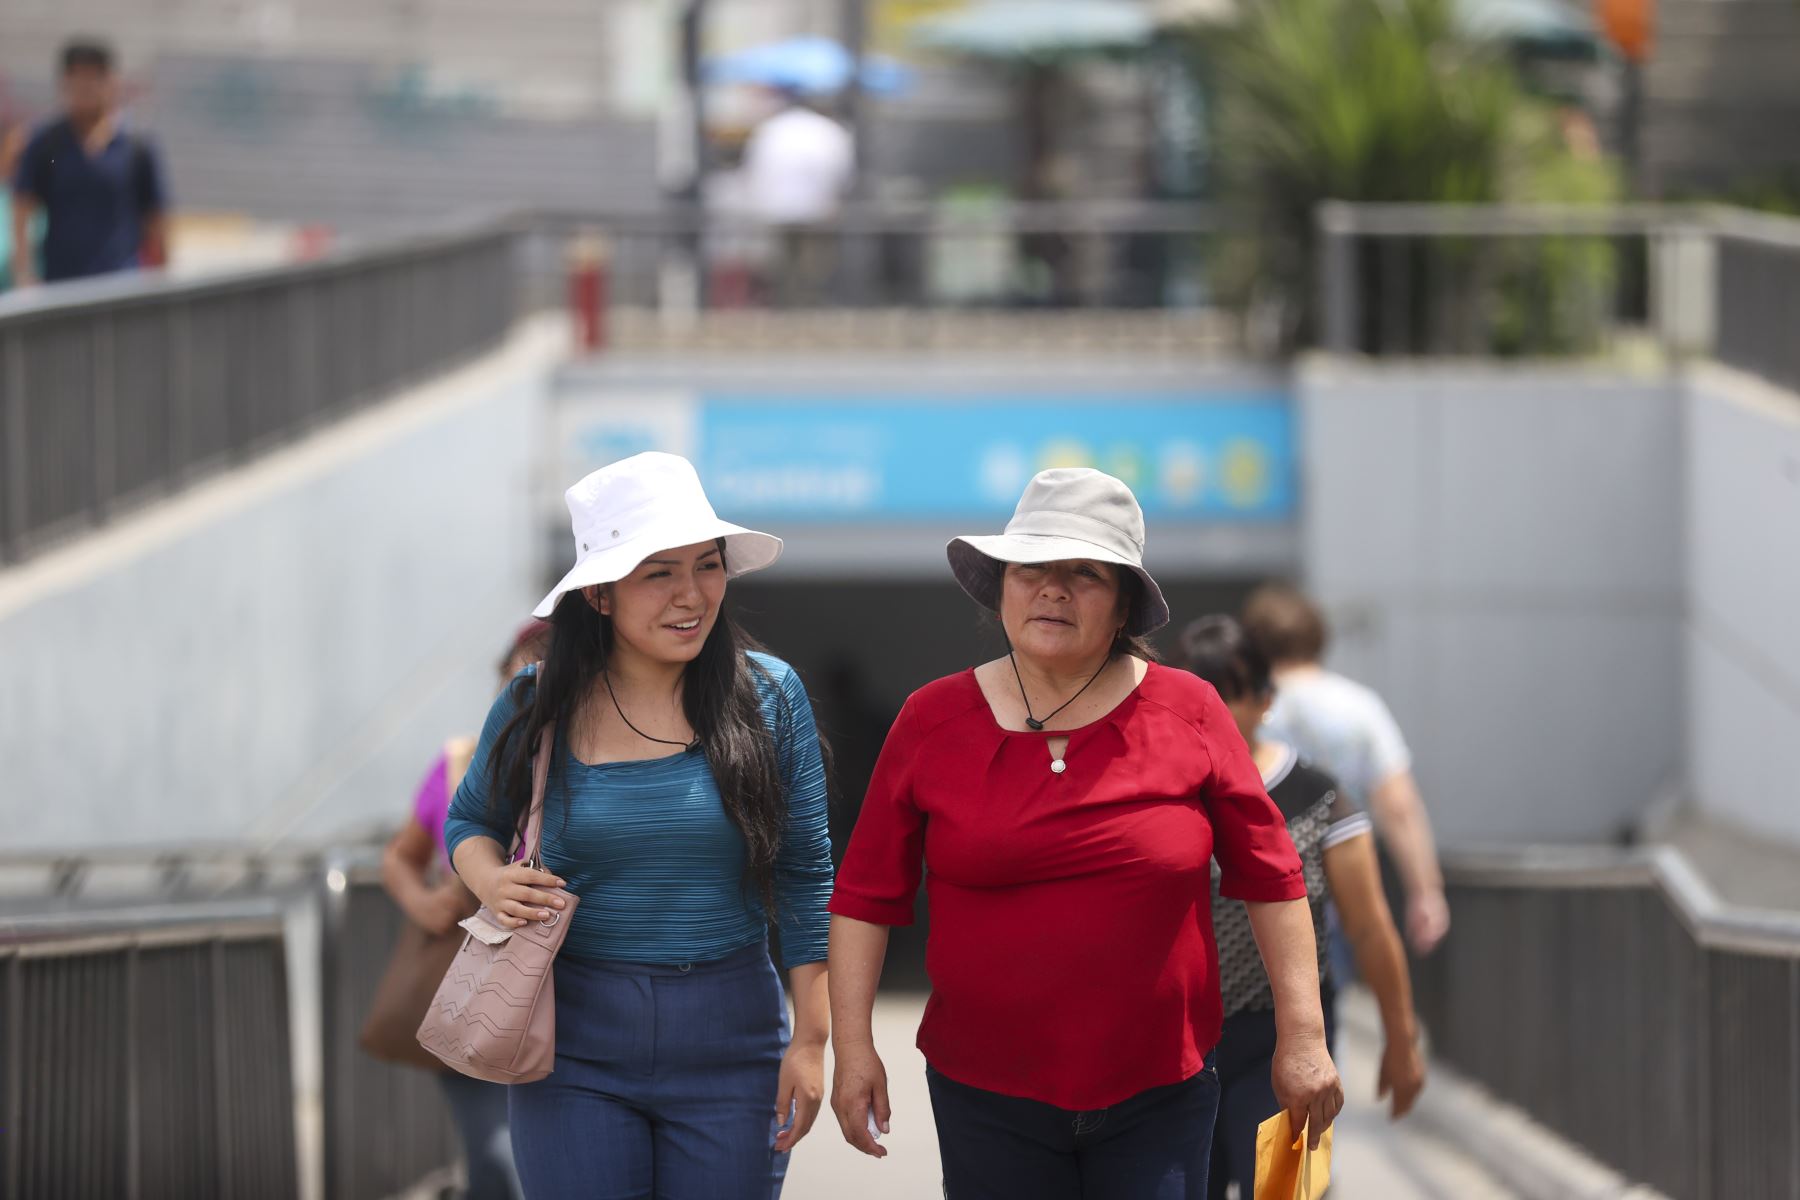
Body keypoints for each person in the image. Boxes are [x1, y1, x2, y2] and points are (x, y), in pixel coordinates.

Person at [827, 467, 1342, 1199]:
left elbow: (1273, 875)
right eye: (1032, 568)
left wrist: (1304, 1037)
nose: (1053, 589)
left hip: (1161, 1092)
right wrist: (852, 1049)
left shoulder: (1190, 710)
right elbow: (864, 896)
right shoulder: (930, 720)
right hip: (985, 1096)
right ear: (1000, 586)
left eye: (1084, 574)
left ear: (1125, 603)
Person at [443, 451, 834, 1198]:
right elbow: (469, 820)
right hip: (571, 1043)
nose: (691, 595)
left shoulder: (772, 696)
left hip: (735, 1040)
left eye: (707, 565)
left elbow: (808, 876)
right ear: (598, 596)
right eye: (658, 572)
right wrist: (491, 878)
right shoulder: (536, 701)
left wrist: (813, 1043)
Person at [1181, 615, 1425, 1200]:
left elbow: (1368, 928)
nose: (1211, 713)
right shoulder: (1167, 789)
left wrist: (1401, 1037)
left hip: (1285, 1035)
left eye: (1229, 695)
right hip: (1181, 1043)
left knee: (1289, 1192)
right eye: (1197, 696)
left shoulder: (1314, 794)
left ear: (1265, 700)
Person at [380, 621, 551, 1200]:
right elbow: (401, 857)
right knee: (497, 1162)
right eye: (517, 684)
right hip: (475, 989)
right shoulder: (457, 763)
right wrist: (423, 901)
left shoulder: (597, 762)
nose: (528, 700)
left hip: (568, 999)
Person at [1241, 583, 1451, 956]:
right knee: (1328, 995)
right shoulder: (1359, 706)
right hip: (1339, 881)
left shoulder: (1244, 709)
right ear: (1318, 638)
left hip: (1252, 887)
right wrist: (1425, 891)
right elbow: (1398, 806)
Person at [11, 39, 169, 287]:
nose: (86, 86)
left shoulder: (136, 147)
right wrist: (24, 275)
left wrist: (163, 279)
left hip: (123, 286)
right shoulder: (46, 145)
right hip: (61, 288)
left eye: (94, 77)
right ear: (65, 82)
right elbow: (22, 209)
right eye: (78, 77)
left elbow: (156, 218)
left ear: (112, 81)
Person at [741, 87, 853, 305]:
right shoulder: (826, 129)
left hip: (776, 208)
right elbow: (841, 171)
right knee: (812, 264)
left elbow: (753, 169)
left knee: (783, 261)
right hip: (816, 208)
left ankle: (787, 302)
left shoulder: (771, 128)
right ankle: (806, 303)